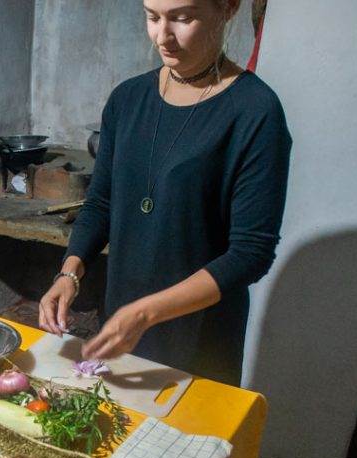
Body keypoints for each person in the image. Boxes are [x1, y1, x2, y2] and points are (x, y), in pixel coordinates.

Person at [38, 0, 291, 386]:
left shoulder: (256, 112)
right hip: (122, 327)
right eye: (152, 17)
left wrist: (145, 313)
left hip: (200, 341)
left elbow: (250, 253)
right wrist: (69, 273)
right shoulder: (127, 100)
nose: (162, 36)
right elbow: (102, 202)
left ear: (228, 8)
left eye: (182, 18)